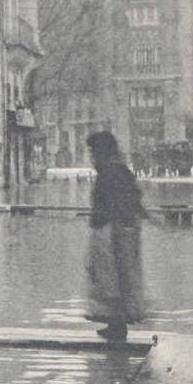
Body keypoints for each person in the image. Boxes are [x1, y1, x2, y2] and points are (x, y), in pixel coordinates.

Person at [84, 131, 146, 340]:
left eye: (93, 151)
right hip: (116, 230)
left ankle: (117, 325)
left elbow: (115, 202)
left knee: (111, 278)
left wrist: (106, 222)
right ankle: (116, 323)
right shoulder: (118, 170)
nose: (91, 156)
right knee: (113, 278)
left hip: (112, 233)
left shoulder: (111, 172)